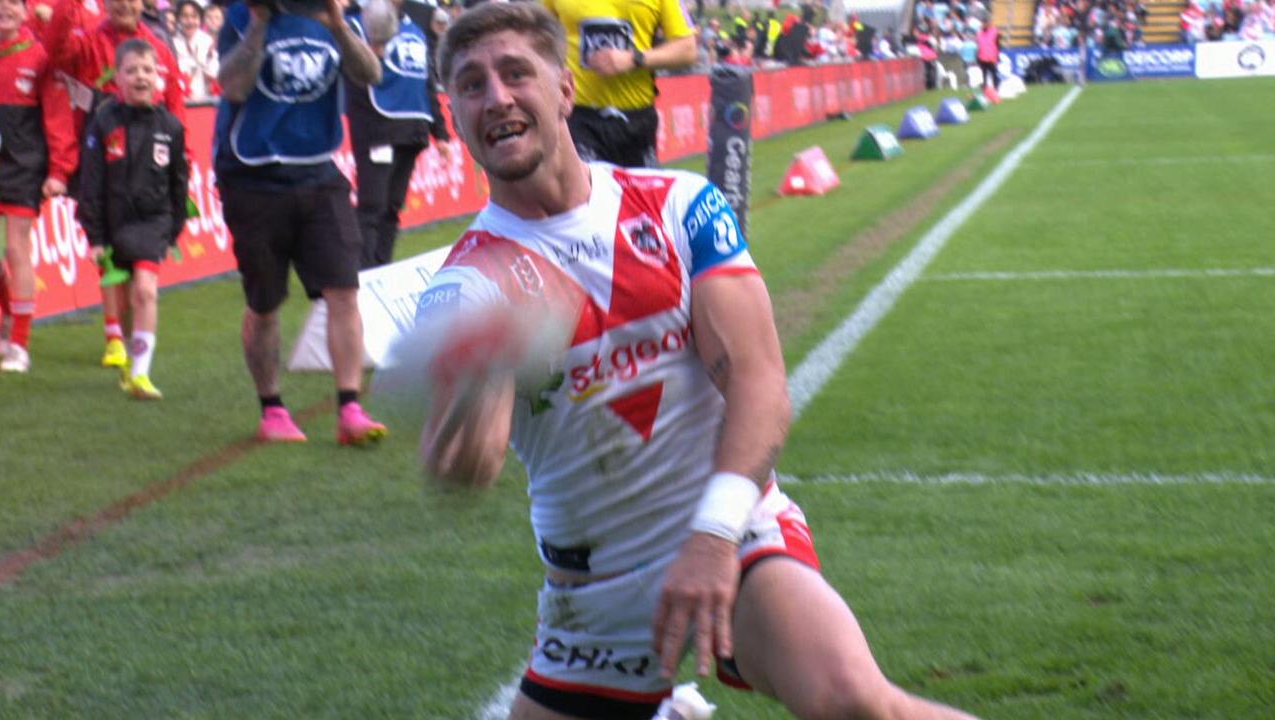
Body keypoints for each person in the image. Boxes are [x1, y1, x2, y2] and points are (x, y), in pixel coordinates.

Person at [417, 4, 983, 719]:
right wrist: (485, 374)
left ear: (564, 90)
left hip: (730, 533)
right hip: (594, 594)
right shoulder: (465, 285)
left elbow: (759, 383)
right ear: (456, 116)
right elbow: (464, 465)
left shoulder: (678, 207)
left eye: (515, 74)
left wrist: (714, 536)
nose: (495, 96)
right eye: (471, 85)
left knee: (860, 704)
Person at [214, 0, 388, 445]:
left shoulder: (333, 18)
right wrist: (258, 26)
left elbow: (371, 74)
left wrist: (337, 25)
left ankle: (350, 407)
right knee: (265, 303)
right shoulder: (241, 15)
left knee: (344, 290)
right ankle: (271, 409)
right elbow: (233, 87)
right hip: (253, 177)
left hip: (319, 172)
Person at [43, 0, 187, 372]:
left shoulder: (160, 50)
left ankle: (132, 337)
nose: (125, 4)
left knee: (137, 269)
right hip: (101, 165)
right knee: (106, 253)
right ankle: (114, 338)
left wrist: (181, 156)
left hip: (147, 176)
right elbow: (55, 50)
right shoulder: (88, 41)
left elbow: (175, 105)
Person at [76, 38, 188, 398]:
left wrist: (173, 229)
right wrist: (94, 235)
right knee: (125, 300)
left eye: (148, 70)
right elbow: (91, 180)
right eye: (133, 70)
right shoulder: (104, 121)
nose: (141, 76)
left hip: (153, 221)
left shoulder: (170, 126)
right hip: (114, 223)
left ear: (159, 77)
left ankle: (141, 373)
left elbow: (179, 183)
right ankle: (127, 356)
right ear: (118, 79)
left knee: (145, 291)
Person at [0, 0, 78, 373]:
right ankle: (11, 314)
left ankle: (19, 345)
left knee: (16, 249)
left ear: (26, 10)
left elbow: (58, 117)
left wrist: (60, 170)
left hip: (23, 166)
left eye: (13, 1)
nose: (4, 7)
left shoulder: (40, 57)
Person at [345, 0, 452, 269]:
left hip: (412, 130)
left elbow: (426, 82)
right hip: (378, 129)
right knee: (373, 205)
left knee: (392, 207)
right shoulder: (356, 25)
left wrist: (440, 133)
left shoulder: (415, 29)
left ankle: (383, 269)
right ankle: (364, 274)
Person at [543, 0, 696, 167]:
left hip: (637, 119)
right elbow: (541, 36)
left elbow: (687, 49)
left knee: (638, 192)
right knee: (590, 190)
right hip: (579, 116)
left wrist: (633, 59)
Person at [173, 0, 218, 101]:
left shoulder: (207, 41)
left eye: (194, 16)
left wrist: (209, 60)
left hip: (205, 99)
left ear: (200, 19)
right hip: (182, 99)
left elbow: (214, 74)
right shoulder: (173, 42)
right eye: (185, 16)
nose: (190, 21)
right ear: (178, 19)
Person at [975, 20, 1000, 90]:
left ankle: (996, 89)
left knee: (994, 74)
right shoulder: (979, 33)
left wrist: (997, 55)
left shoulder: (994, 32)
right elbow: (978, 45)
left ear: (988, 24)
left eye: (984, 24)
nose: (983, 25)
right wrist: (978, 57)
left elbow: (998, 44)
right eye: (982, 24)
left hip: (991, 57)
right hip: (982, 57)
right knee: (984, 75)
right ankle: (985, 90)